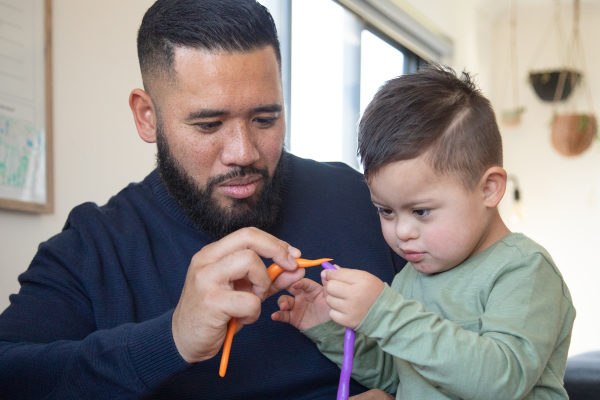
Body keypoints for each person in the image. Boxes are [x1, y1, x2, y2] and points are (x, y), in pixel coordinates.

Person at [0, 1, 405, 399]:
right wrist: (171, 338)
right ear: (147, 117)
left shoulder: (369, 202)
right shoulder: (94, 248)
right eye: (209, 124)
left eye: (265, 119)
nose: (243, 152)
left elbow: (462, 340)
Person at [272, 64, 576, 399]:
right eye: (386, 211)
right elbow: (399, 376)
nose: (402, 232)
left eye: (421, 212)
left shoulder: (524, 270)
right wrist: (329, 329)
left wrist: (384, 313)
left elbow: (501, 381)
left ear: (489, 188)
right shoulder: (411, 278)